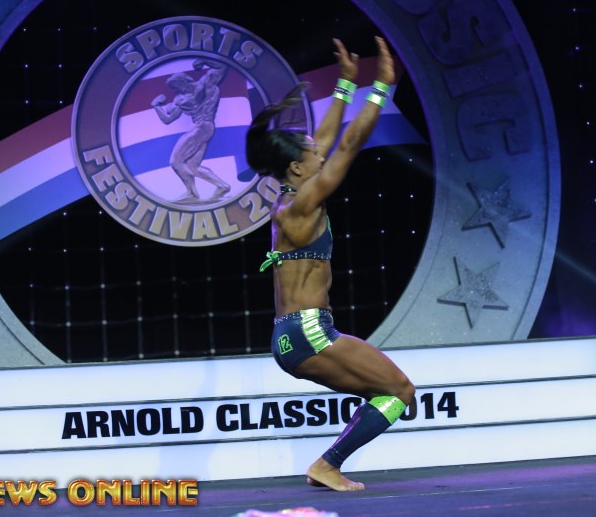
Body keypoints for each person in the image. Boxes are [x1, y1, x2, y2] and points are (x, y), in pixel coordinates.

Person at [245, 37, 415, 491]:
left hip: (294, 334)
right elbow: (349, 145)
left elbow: (323, 141)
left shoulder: (291, 194)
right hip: (310, 333)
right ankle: (326, 465)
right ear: (298, 169)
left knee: (391, 394)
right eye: (312, 156)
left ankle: (327, 465)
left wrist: (345, 84)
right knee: (400, 392)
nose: (320, 153)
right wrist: (382, 87)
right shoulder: (303, 206)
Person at [151, 59, 231, 203]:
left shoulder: (204, 84)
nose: (175, 91)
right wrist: (157, 107)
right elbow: (168, 120)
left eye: (175, 88)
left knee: (175, 161)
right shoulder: (184, 96)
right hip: (207, 128)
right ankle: (222, 186)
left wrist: (204, 60)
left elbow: (222, 67)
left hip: (200, 128)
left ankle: (192, 193)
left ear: (182, 83)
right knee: (193, 167)